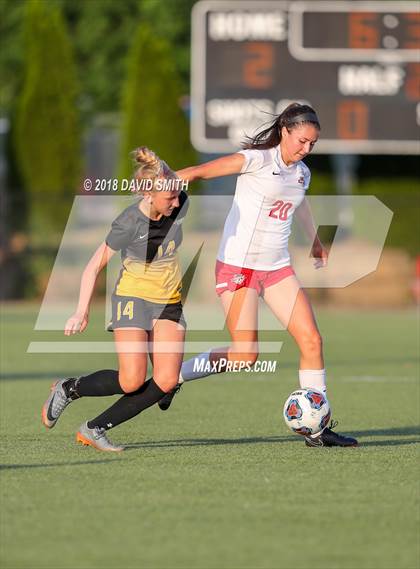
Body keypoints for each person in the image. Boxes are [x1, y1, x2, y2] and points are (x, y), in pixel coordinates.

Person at [159, 103, 358, 448]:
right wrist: (171, 179)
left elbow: (301, 202)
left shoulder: (302, 173)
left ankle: (318, 427)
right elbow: (205, 170)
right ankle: (175, 377)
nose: (306, 149)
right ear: (284, 130)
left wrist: (314, 241)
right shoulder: (256, 160)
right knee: (245, 354)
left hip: (277, 268)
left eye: (312, 144)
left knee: (312, 340)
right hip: (238, 267)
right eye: (302, 141)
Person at [41, 147, 189, 451]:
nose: (177, 203)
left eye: (177, 195)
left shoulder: (178, 199)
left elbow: (189, 177)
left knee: (167, 380)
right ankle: (70, 389)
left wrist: (160, 163)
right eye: (170, 198)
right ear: (148, 195)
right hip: (132, 298)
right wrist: (81, 312)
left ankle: (94, 429)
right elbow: (93, 266)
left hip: (168, 302)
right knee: (132, 380)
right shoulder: (129, 222)